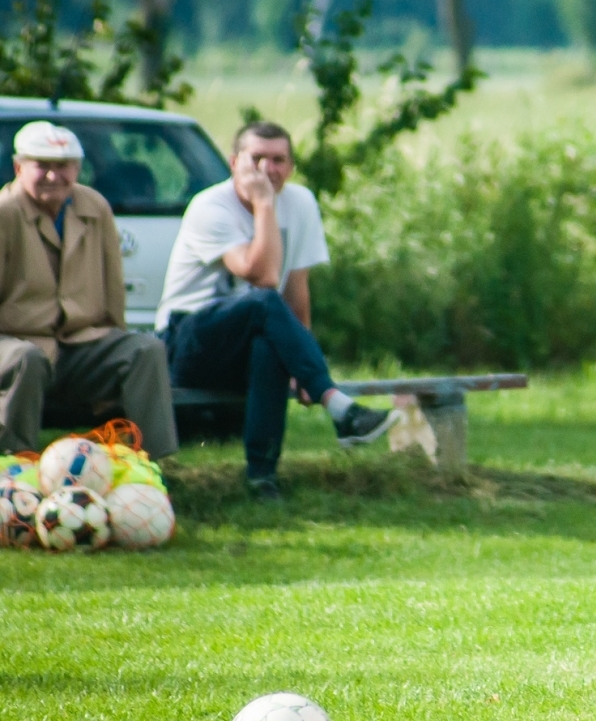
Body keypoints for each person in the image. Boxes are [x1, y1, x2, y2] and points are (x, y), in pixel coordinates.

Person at [156, 121, 398, 497]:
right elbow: (265, 276)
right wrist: (265, 203)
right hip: (186, 341)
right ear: (234, 163)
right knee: (264, 302)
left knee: (268, 347)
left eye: (278, 160)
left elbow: (296, 289)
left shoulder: (301, 203)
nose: (268, 169)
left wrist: (301, 362)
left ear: (291, 166)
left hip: (246, 340)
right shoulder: (210, 206)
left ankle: (262, 477)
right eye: (257, 159)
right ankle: (336, 404)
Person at [0, 121, 178, 456]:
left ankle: (152, 465)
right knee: (26, 359)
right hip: (13, 344)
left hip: (77, 342)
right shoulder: (5, 212)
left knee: (145, 350)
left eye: (63, 166)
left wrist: (114, 333)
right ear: (18, 167)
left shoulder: (94, 207)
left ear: (78, 169)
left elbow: (112, 289)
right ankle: (14, 465)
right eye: (42, 166)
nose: (53, 176)